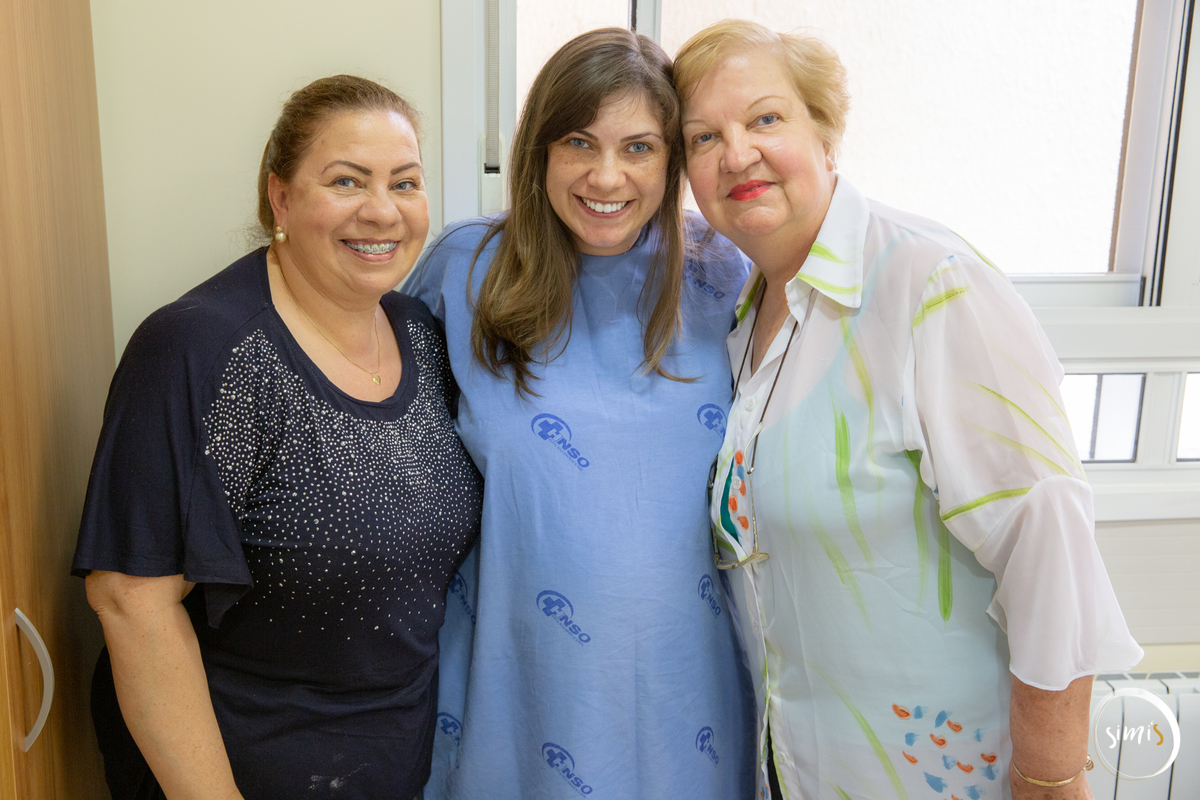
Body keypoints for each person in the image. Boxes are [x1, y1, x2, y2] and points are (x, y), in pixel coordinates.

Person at [675, 19, 1143, 800]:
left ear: (825, 133)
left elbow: (1049, 544)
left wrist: (1051, 782)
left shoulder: (930, 287)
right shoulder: (739, 317)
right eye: (702, 136)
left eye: (765, 118)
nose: (736, 154)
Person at [72, 75, 482, 800]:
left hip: (392, 760)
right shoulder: (201, 350)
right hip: (237, 763)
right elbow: (132, 602)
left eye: (406, 183)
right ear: (282, 198)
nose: (382, 210)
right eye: (347, 180)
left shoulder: (422, 335)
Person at [407, 27, 755, 800]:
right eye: (578, 142)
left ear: (673, 161)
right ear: (538, 151)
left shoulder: (725, 275)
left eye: (639, 148)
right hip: (516, 685)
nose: (607, 176)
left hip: (689, 692)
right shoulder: (462, 273)